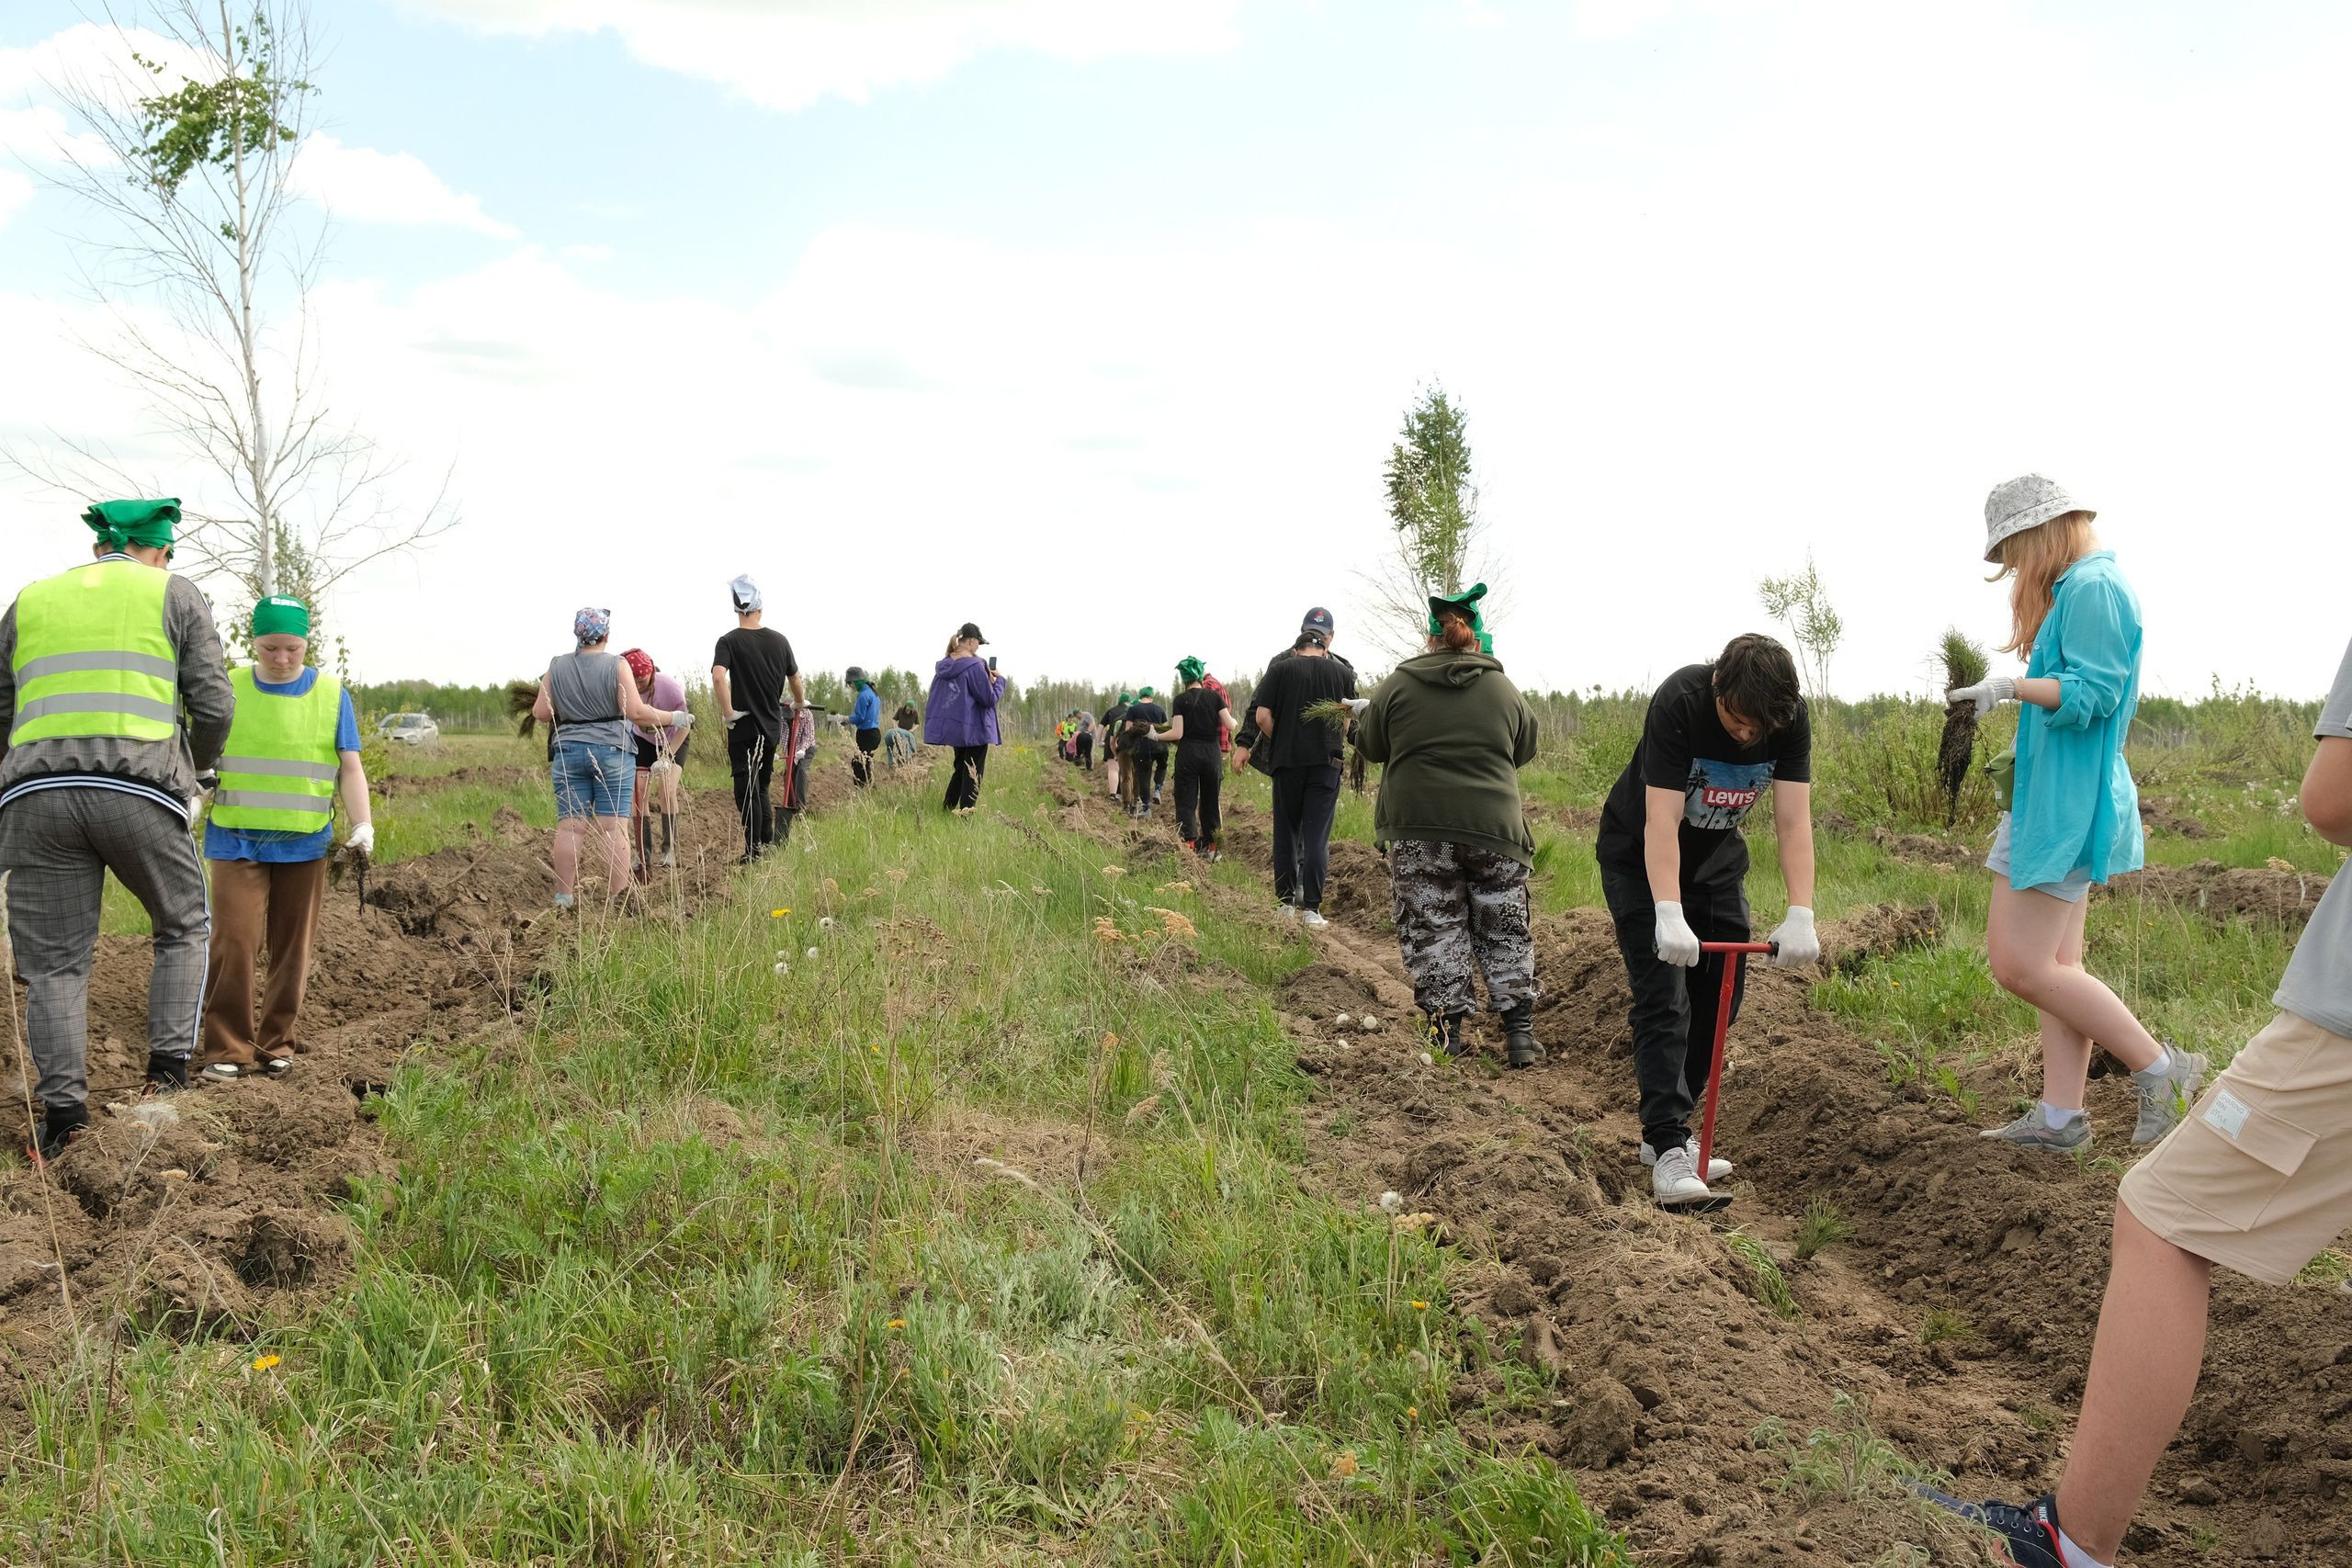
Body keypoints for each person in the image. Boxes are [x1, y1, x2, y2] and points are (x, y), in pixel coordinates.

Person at [1922, 636, 2352, 1568]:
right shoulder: (2074, 603)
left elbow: (2331, 796)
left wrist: (2017, 694)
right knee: (2046, 965)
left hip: (2342, 1025)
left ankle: (2068, 1546)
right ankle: (2069, 1105)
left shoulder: (2094, 601)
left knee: (2160, 1217)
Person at [1949, 476, 2202, 1152]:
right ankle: (2062, 1119)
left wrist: (2010, 687)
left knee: (2020, 965)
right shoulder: (2083, 585)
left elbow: (2091, 695)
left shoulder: (2094, 589)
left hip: (2065, 809)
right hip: (2056, 798)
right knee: (2060, 967)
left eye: (2015, 552)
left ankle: (2162, 1068)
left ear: (2041, 532)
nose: (2016, 571)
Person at [0, 500, 233, 1158]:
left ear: (102, 547)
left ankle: (64, 1120)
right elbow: (213, 704)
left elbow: (0, 705)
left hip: (34, 800)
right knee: (183, 923)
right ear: (157, 549)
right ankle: (163, 1089)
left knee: (54, 964)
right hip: (137, 789)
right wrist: (201, 770)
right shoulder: (174, 593)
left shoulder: (31, 600)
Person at [1594, 633, 1821, 1211]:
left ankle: (1671, 1132)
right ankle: (1668, 1145)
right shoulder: (1682, 700)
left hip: (1717, 868)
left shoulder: (1786, 718)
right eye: (1738, 720)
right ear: (1718, 685)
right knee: (1663, 996)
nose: (1747, 735)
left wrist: (1802, 911)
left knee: (1720, 997)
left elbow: (1794, 823)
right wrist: (1666, 910)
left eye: (1758, 728)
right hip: (1639, 859)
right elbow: (1661, 821)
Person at [1356, 587, 1546, 1066]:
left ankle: (1446, 1038)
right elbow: (1523, 750)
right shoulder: (1504, 689)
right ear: (1477, 641)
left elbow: (1373, 747)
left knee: (1434, 927)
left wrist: (1356, 720)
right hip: (1495, 831)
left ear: (1431, 637)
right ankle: (1520, 1037)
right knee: (1504, 926)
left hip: (1421, 830)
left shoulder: (1398, 685)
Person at [198, 595, 372, 1079]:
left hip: (304, 842)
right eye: (270, 648)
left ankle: (278, 1044)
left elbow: (350, 767)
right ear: (254, 641)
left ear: (305, 643)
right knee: (233, 943)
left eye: (291, 649)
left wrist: (362, 824)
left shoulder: (332, 694)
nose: (280, 659)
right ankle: (227, 1049)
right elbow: (202, 758)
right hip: (236, 840)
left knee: (292, 948)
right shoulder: (228, 688)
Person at [532, 608, 692, 908]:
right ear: (606, 635)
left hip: (567, 753)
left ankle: (563, 897)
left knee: (570, 827)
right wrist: (675, 717)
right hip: (612, 755)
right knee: (612, 828)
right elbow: (636, 712)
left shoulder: (556, 666)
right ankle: (618, 898)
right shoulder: (617, 666)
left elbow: (541, 712)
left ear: (577, 635)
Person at [1250, 606, 1359, 927]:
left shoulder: (1281, 669)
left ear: (1297, 649)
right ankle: (1312, 910)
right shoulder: (1341, 673)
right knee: (1316, 838)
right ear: (1324, 650)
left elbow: (1261, 717)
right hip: (1326, 765)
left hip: (1287, 764)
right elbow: (1346, 721)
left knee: (1286, 834)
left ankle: (1284, 906)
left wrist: (1283, 740)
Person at [711, 574, 803, 863]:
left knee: (746, 788)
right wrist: (799, 703)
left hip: (743, 726)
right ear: (760, 609)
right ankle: (764, 846)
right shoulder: (780, 641)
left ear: (737, 609)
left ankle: (753, 852)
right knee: (760, 786)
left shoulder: (728, 641)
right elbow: (796, 679)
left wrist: (728, 713)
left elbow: (718, 677)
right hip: (771, 726)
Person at [1232, 609, 1357, 778]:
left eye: (1323, 636)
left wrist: (1362, 741)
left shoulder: (1342, 669)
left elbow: (1352, 712)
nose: (1318, 640)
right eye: (1311, 633)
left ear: (1332, 636)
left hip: (1324, 758)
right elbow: (1259, 705)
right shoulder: (1281, 663)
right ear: (1302, 631)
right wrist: (1243, 744)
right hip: (1287, 757)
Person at [925, 623, 1004, 811]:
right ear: (971, 641)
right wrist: (999, 680)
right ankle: (966, 814)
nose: (978, 648)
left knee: (960, 768)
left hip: (957, 729)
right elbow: (988, 698)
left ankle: (948, 808)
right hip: (976, 728)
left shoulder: (944, 666)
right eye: (978, 644)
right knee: (973, 771)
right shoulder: (975, 666)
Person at [621, 648, 687, 874]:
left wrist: (668, 756)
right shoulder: (624, 688)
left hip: (674, 738)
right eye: (634, 681)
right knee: (639, 792)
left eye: (641, 680)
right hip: (644, 740)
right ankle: (643, 853)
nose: (638, 686)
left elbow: (685, 725)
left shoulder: (670, 688)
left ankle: (669, 850)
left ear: (651, 672)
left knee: (666, 789)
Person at [1166, 658, 1236, 856]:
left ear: (1183, 678)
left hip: (1188, 753)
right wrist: (1236, 722)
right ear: (1200, 675)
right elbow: (1230, 725)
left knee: (1186, 800)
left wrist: (1156, 735)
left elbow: (1177, 733)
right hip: (1211, 753)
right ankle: (1212, 848)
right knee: (1210, 800)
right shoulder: (1214, 697)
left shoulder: (1180, 700)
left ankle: (1188, 847)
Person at [1116, 686, 1170, 818]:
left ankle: (1146, 808)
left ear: (1140, 696)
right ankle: (1158, 788)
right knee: (1162, 766)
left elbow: (1128, 729)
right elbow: (1165, 729)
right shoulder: (1160, 710)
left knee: (1144, 775)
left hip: (1143, 747)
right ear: (1151, 696)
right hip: (1160, 745)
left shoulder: (1133, 710)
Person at [846, 667, 882, 787]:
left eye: (850, 683)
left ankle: (861, 792)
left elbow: (860, 718)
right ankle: (869, 789)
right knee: (865, 763)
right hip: (874, 734)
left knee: (858, 764)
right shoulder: (873, 693)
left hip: (866, 735)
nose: (850, 686)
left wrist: (841, 718)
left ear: (857, 681)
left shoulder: (863, 696)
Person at [1100, 690, 1133, 798]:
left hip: (1112, 739)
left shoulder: (1111, 711)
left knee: (1113, 768)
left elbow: (1101, 727)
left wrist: (1099, 741)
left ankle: (1113, 794)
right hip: (1128, 740)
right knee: (1128, 769)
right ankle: (1128, 795)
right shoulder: (1133, 710)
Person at [885, 704, 918, 769]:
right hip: (899, 734)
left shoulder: (914, 713)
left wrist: (896, 728)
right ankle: (904, 766)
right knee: (904, 750)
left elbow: (917, 723)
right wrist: (914, 752)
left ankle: (891, 765)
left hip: (887, 734)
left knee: (890, 749)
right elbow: (913, 748)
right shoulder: (911, 735)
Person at [1073, 708, 1095, 772]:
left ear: (1078, 713)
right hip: (1083, 737)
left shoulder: (1087, 715)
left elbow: (1092, 724)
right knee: (1084, 751)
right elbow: (1082, 728)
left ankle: (1090, 767)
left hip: (1090, 736)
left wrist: (1088, 732)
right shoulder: (1081, 719)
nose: (1077, 718)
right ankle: (1085, 765)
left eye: (1076, 716)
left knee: (1090, 751)